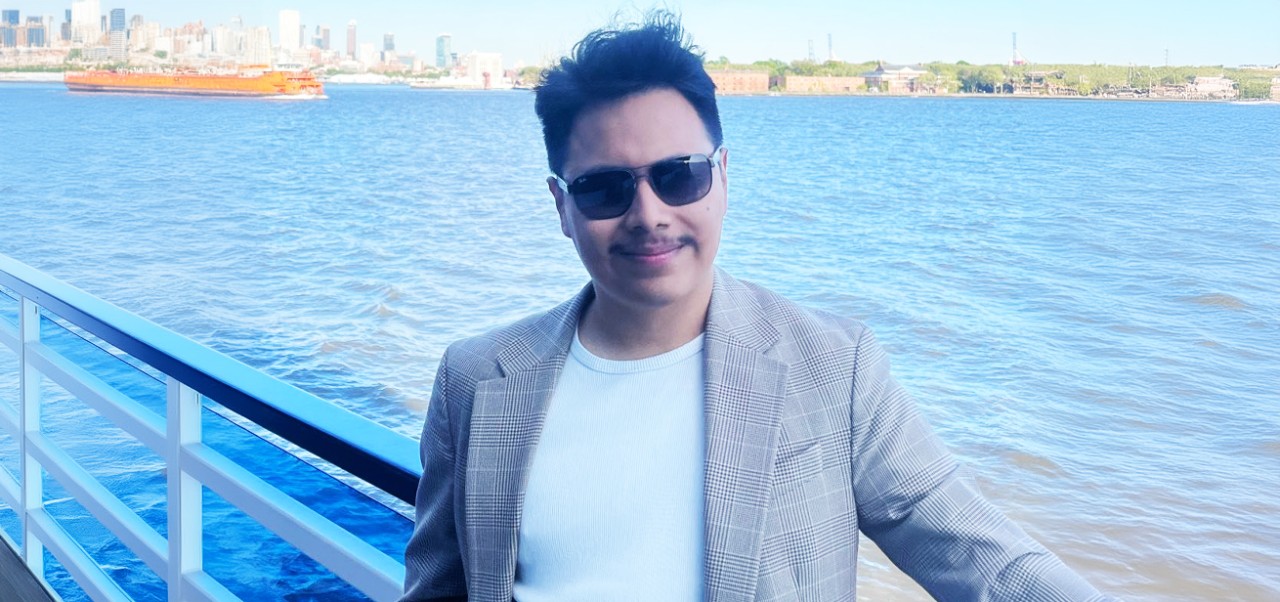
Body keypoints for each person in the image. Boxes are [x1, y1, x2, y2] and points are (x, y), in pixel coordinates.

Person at [402, 12, 1113, 602]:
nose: (649, 215)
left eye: (678, 176)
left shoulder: (833, 366)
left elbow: (982, 559)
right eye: (605, 189)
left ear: (723, 176)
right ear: (561, 206)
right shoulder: (476, 379)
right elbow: (437, 588)